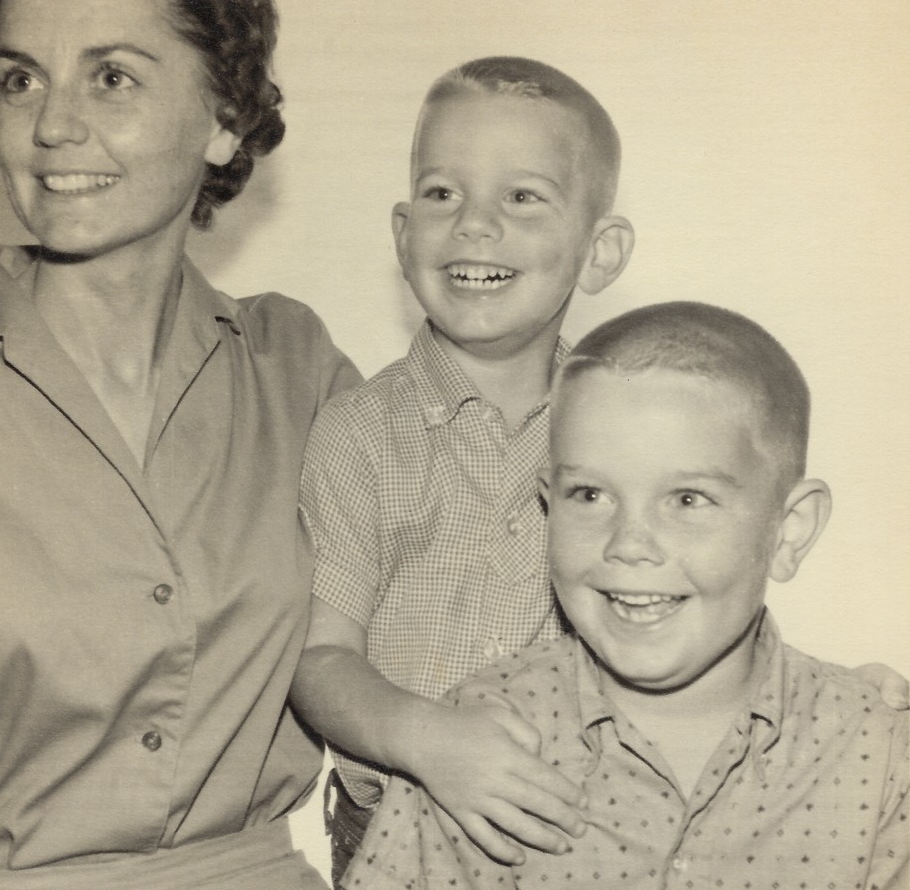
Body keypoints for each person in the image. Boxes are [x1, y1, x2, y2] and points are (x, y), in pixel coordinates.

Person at [0, 0, 360, 890]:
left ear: (224, 118)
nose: (53, 125)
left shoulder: (300, 373)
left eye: (112, 78)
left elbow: (456, 616)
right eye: (21, 79)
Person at [344, 301, 909, 889]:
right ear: (548, 506)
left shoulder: (876, 751)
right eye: (590, 495)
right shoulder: (470, 741)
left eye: (687, 500)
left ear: (789, 531)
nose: (629, 545)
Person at [290, 57, 637, 886]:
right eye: (443, 193)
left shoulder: (627, 435)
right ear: (402, 232)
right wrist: (428, 740)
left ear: (599, 252)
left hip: (591, 837)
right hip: (394, 838)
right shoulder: (357, 434)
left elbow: (683, 619)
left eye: (522, 197)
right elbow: (318, 659)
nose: (474, 225)